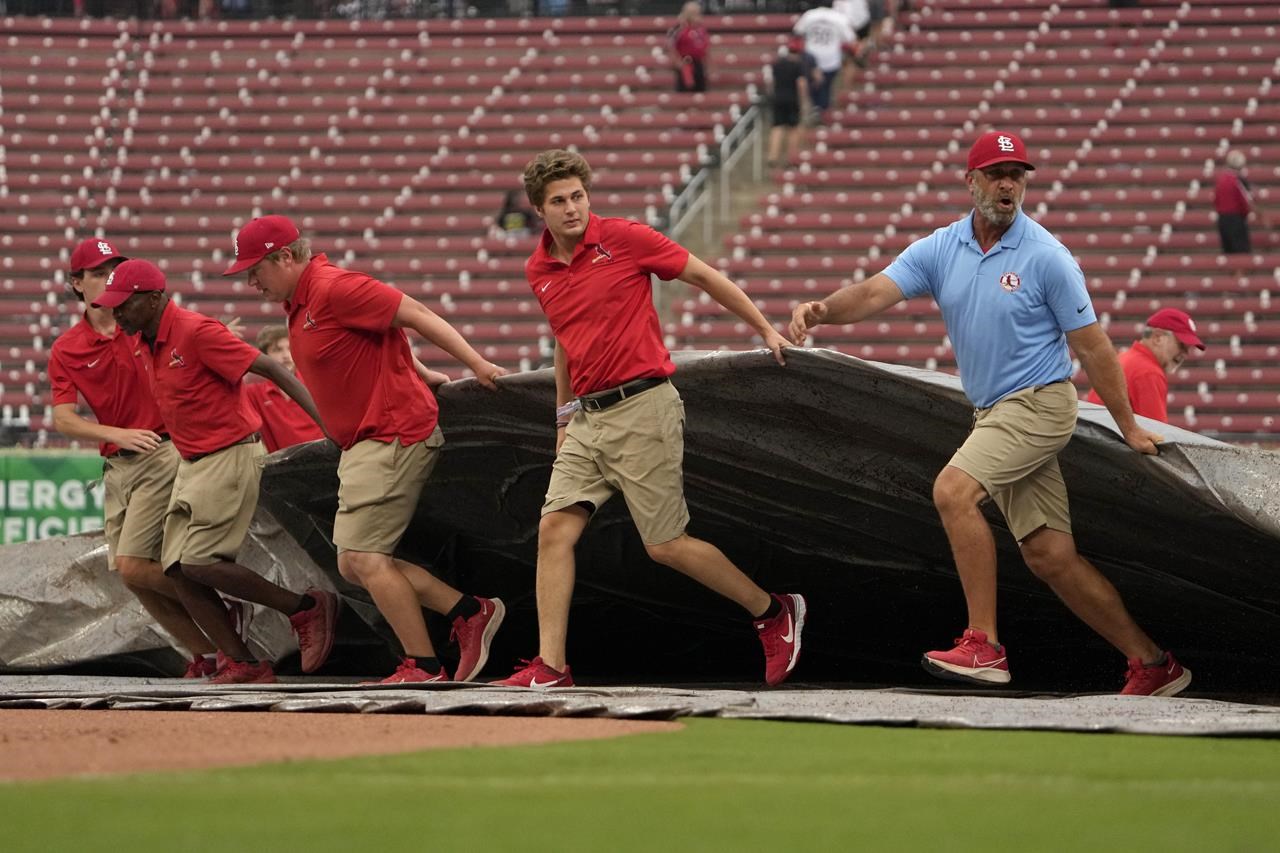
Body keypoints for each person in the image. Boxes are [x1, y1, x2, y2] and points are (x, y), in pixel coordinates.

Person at [790, 130, 1191, 697]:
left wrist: (1129, 427)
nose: (1009, 185)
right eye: (997, 174)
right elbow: (877, 291)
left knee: (952, 492)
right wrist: (823, 310)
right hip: (994, 412)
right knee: (1051, 557)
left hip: (1039, 404)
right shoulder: (942, 247)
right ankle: (1154, 664)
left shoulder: (1047, 257)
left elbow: (1094, 346)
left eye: (1017, 175)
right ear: (971, 181)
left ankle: (984, 645)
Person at [494, 149, 805, 689]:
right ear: (539, 211)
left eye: (578, 196)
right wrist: (563, 417)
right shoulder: (538, 269)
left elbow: (704, 276)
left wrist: (765, 329)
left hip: (643, 405)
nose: (572, 208)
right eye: (559, 201)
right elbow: (565, 342)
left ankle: (773, 611)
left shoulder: (624, 238)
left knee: (665, 546)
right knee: (553, 530)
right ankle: (552, 667)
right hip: (587, 420)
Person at [223, 215, 508, 684]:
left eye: (256, 270)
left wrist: (476, 364)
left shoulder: (334, 287)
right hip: (365, 442)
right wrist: (421, 372)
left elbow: (413, 312)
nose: (251, 282)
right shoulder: (301, 301)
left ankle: (423, 664)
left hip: (391, 434)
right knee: (352, 564)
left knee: (366, 560)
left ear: (286, 257)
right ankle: (467, 611)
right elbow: (379, 334)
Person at [93, 258, 339, 685]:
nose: (116, 313)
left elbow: (271, 368)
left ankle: (304, 607)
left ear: (153, 299)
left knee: (200, 562)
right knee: (175, 568)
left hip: (229, 453)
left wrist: (326, 425)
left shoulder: (195, 331)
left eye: (123, 304)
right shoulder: (148, 340)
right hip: (193, 461)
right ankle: (244, 663)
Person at [49, 238, 221, 679]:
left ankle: (222, 610)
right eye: (97, 273)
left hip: (164, 450)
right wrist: (116, 433)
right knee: (133, 575)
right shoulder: (67, 347)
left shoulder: (145, 324)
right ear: (76, 283)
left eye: (113, 270)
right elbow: (63, 419)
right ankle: (208, 655)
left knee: (132, 565)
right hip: (118, 464)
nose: (108, 279)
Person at [1085, 308, 1205, 423]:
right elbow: (1157, 432)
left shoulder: (1127, 357)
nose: (1185, 354)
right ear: (1158, 338)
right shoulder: (1148, 371)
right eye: (1182, 346)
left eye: (1187, 349)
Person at [245, 326, 325, 453]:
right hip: (284, 463)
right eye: (277, 350)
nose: (286, 355)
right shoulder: (254, 393)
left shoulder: (316, 383)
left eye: (289, 348)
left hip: (324, 458)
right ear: (264, 356)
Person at [792, 3, 856, 123]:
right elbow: (850, 38)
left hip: (812, 58)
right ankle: (822, 112)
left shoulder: (809, 15)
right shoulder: (839, 17)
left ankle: (818, 111)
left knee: (814, 88)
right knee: (825, 88)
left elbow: (797, 32)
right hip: (830, 59)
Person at [767, 36, 814, 168]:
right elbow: (801, 84)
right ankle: (791, 157)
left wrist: (773, 95)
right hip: (793, 99)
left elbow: (771, 82)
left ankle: (772, 156)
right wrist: (804, 101)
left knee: (777, 127)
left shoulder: (777, 64)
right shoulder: (798, 66)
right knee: (793, 128)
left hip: (778, 98)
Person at [1214, 150, 1253, 254]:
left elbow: (1216, 200)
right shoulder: (1237, 180)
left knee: (1228, 252)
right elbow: (1245, 201)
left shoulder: (1221, 180)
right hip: (1236, 218)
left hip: (1222, 218)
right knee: (1241, 252)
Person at [667, 1, 710, 93]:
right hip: (685, 63)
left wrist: (708, 64)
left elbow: (704, 48)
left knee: (700, 91)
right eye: (694, 13)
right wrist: (677, 62)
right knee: (685, 91)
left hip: (698, 63)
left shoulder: (701, 29)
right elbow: (671, 46)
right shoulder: (679, 28)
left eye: (698, 13)